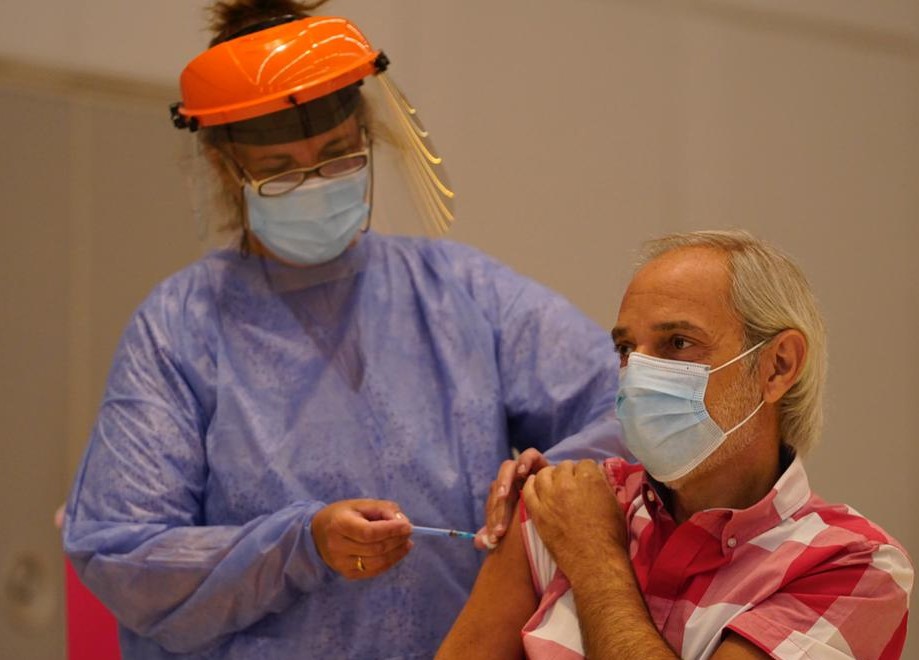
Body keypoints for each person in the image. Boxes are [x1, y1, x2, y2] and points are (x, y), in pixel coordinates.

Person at [61, 1, 624, 657]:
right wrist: (301, 545)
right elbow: (122, 552)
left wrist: (546, 481)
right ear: (226, 170)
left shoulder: (460, 294)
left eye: (335, 156)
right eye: (281, 171)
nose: (316, 184)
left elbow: (625, 412)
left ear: (367, 137)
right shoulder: (182, 329)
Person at [438, 229, 914, 660]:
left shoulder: (852, 566)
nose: (637, 376)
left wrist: (595, 560)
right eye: (626, 350)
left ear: (777, 367)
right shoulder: (569, 502)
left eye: (679, 343)